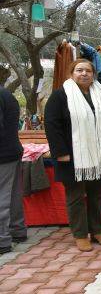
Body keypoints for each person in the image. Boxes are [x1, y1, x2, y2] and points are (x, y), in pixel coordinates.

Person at [44, 59, 101, 251]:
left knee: (98, 195)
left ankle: (98, 230)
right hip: (72, 156)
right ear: (72, 73)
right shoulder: (60, 96)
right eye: (79, 70)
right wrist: (60, 152)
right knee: (76, 196)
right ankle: (80, 234)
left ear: (94, 74)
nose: (84, 74)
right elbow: (52, 126)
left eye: (88, 70)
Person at [0, 86, 26, 253]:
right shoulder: (6, 93)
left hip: (3, 153)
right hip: (11, 150)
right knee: (13, 194)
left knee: (2, 196)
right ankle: (17, 230)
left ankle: (2, 239)